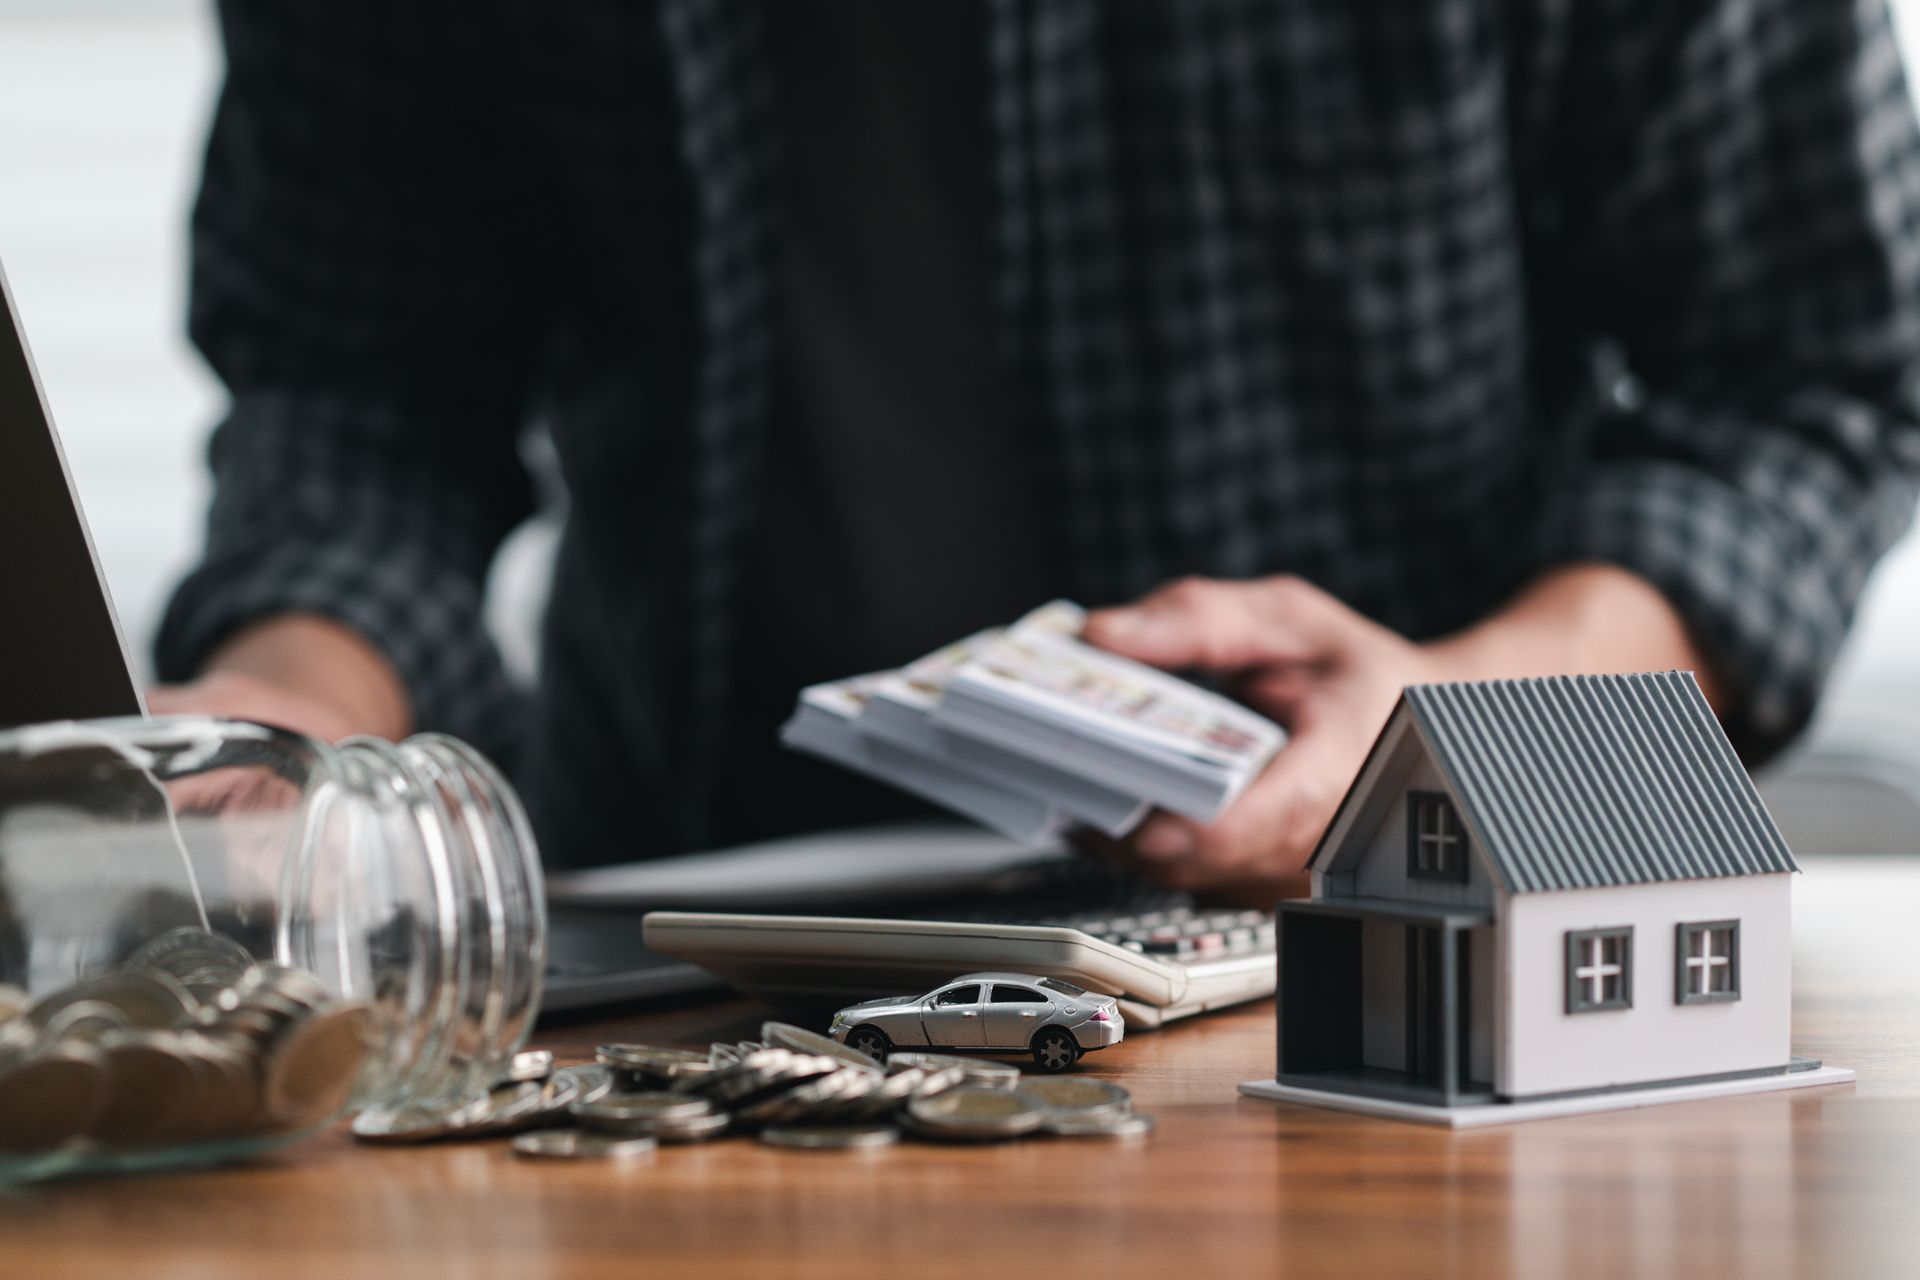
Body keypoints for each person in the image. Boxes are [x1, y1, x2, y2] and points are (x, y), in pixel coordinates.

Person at [151, 1, 1920, 897]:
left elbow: (1815, 370)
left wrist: (1465, 724)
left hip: (1390, 952)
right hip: (690, 956)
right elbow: (359, 380)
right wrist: (283, 723)